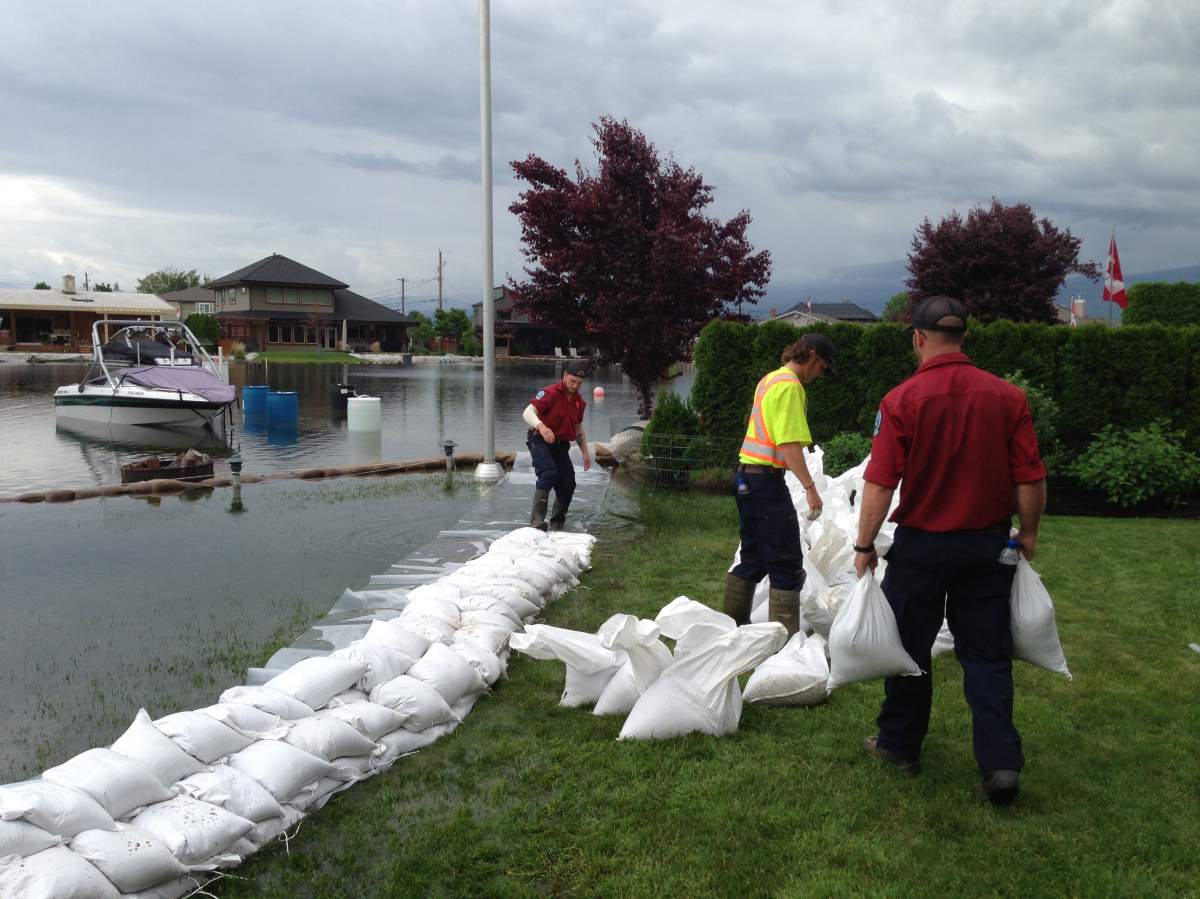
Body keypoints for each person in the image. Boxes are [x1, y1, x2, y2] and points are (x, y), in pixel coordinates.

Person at [852, 295, 1047, 805]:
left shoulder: (902, 400)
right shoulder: (1008, 398)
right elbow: (1030, 478)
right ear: (963, 337)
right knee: (987, 654)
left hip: (921, 549)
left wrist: (864, 544)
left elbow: (879, 481)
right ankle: (1001, 764)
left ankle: (899, 747)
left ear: (917, 338)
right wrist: (1027, 534)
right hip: (986, 546)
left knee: (910, 652)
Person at [724, 334, 835, 635]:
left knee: (753, 556)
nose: (820, 374)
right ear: (811, 356)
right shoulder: (789, 386)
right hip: (765, 483)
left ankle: (733, 629)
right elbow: (788, 443)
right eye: (822, 367)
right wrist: (810, 488)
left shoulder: (770, 379)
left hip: (746, 478)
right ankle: (783, 646)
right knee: (786, 562)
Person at [523, 362, 592, 530]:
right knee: (548, 474)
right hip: (540, 440)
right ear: (565, 375)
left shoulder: (580, 403)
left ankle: (557, 522)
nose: (575, 386)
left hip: (561, 445)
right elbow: (527, 413)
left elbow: (578, 430)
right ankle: (537, 523)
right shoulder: (549, 393)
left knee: (568, 483)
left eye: (579, 383)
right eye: (572, 381)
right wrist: (541, 426)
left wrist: (585, 452)